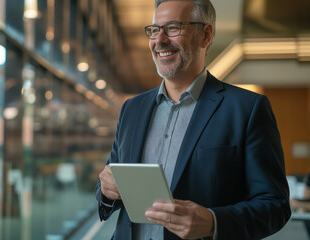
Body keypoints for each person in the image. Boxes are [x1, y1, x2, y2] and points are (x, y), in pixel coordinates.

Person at [95, 0, 291, 239]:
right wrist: (106, 190)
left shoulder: (247, 109)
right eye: (155, 30)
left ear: (206, 35)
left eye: (173, 28)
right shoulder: (131, 109)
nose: (160, 40)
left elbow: (275, 206)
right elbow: (110, 179)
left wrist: (213, 222)